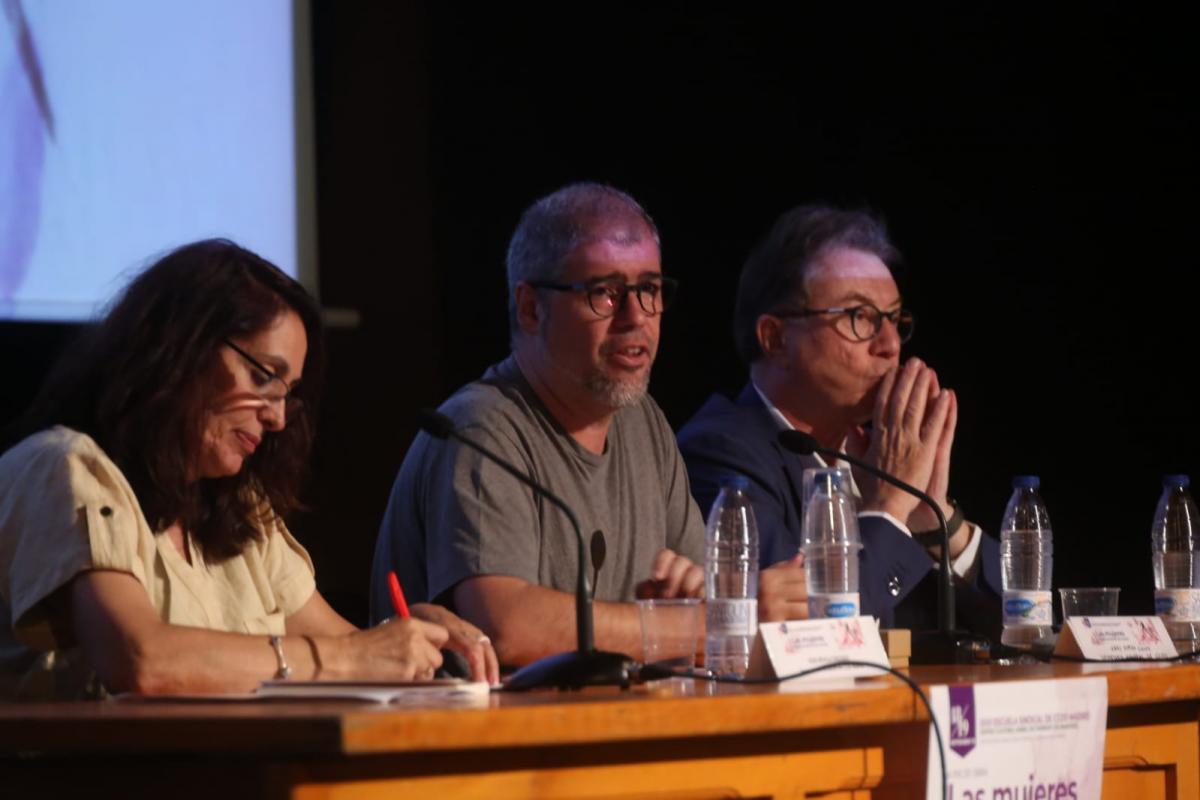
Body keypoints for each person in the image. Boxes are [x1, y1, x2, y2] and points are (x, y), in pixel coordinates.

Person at [0, 240, 497, 700]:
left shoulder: (240, 508)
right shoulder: (61, 467)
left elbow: (350, 646)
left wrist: (415, 639)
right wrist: (355, 655)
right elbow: (140, 659)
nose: (277, 417)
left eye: (287, 393)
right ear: (179, 348)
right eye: (263, 377)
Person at [371, 183, 707, 668]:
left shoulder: (644, 422)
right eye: (605, 294)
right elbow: (507, 627)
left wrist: (698, 604)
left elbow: (710, 605)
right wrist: (676, 627)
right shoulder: (480, 429)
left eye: (650, 290)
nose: (636, 318)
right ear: (531, 308)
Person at [678, 205, 1001, 634]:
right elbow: (815, 631)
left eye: (894, 320)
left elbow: (1027, 630)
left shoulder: (870, 457)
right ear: (775, 339)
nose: (889, 345)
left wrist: (936, 520)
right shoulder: (720, 452)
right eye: (859, 318)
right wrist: (887, 508)